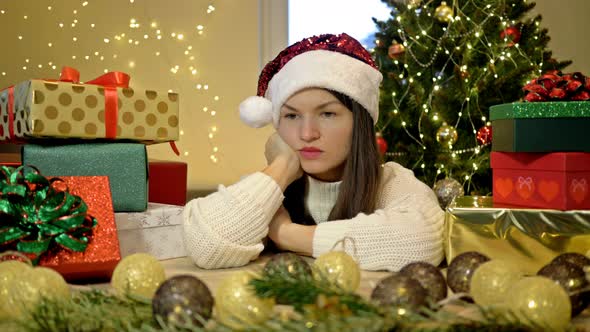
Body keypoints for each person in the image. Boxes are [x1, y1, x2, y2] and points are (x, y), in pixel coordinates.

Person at [183, 33, 444, 271]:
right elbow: (204, 244)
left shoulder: (390, 182)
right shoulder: (267, 192)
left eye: (327, 113)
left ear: (360, 123)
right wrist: (283, 165)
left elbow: (424, 241)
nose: (307, 134)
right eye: (292, 115)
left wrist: (285, 233)